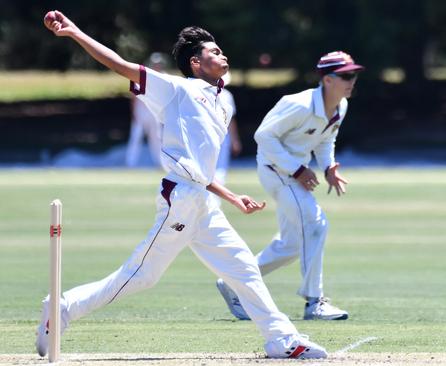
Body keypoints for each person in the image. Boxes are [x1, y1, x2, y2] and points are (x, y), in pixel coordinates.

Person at [39, 10, 327, 359]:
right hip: (180, 200)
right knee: (141, 276)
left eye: (222, 50)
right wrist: (74, 32)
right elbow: (119, 64)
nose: (223, 55)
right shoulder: (176, 89)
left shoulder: (222, 103)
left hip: (203, 204)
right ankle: (62, 307)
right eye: (214, 52)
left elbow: (201, 168)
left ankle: (282, 340)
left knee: (244, 268)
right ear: (195, 63)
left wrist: (231, 197)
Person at [216, 51, 363, 321]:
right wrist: (297, 169)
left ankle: (233, 283)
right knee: (316, 224)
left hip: (294, 173)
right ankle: (314, 302)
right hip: (276, 171)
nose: (351, 80)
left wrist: (328, 166)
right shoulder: (299, 104)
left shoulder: (340, 105)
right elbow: (263, 136)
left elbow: (325, 140)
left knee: (292, 245)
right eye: (346, 76)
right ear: (328, 80)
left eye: (353, 75)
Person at [124, 52, 169, 168]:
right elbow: (134, 95)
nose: (157, 66)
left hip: (155, 112)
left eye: (159, 64)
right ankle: (130, 163)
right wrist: (134, 112)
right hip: (141, 112)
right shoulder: (144, 75)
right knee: (136, 136)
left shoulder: (164, 77)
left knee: (157, 138)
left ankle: (160, 164)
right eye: (155, 64)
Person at [214, 71, 242, 184]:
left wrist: (234, 139)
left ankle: (215, 196)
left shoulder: (227, 95)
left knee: (220, 168)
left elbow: (231, 120)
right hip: (207, 134)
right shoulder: (201, 93)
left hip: (223, 135)